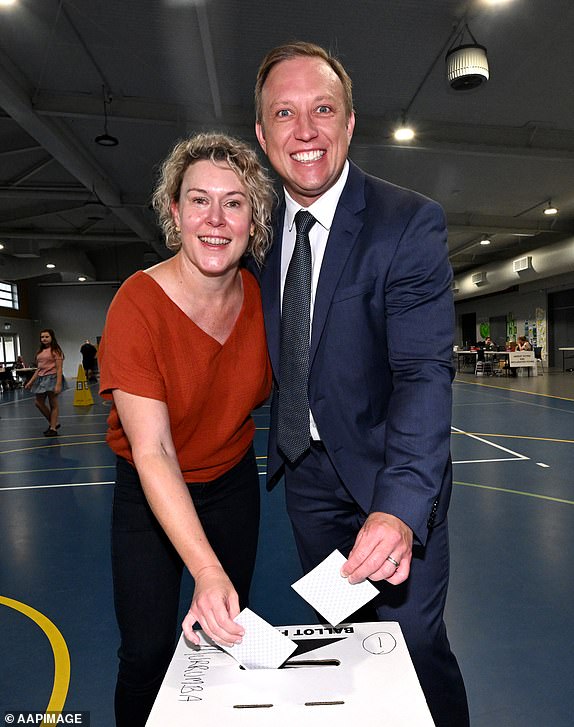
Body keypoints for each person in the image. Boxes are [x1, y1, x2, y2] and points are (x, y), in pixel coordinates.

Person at [254, 42, 468, 726]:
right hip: (310, 482)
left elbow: (423, 372)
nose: (305, 129)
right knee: (342, 637)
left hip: (390, 473)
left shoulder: (405, 223)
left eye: (323, 109)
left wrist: (401, 507)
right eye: (284, 113)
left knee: (414, 643)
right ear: (262, 135)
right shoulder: (257, 241)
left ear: (350, 125)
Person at [98, 132, 273, 727]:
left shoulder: (262, 298)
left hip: (232, 484)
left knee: (228, 630)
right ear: (174, 212)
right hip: (150, 491)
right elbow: (153, 448)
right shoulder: (137, 304)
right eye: (199, 200)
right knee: (146, 652)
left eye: (234, 202)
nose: (216, 219)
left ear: (256, 217)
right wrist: (204, 566)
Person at [24, 329, 64, 436]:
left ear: (52, 338)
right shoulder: (40, 352)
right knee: (38, 402)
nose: (44, 339)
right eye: (42, 337)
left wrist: (58, 384)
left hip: (52, 378)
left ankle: (53, 428)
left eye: (47, 337)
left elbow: (59, 369)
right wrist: (30, 382)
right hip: (40, 379)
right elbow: (39, 369)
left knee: (53, 403)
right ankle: (54, 422)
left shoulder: (56, 350)